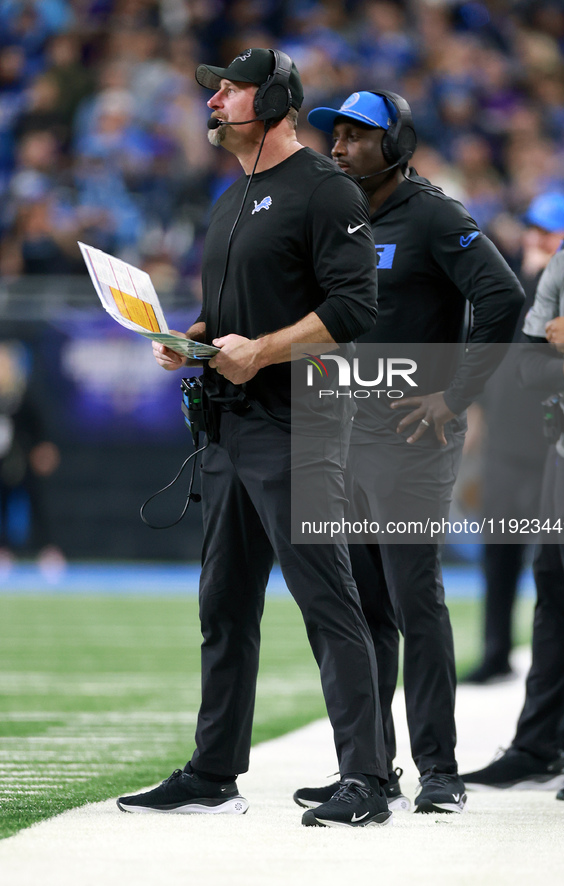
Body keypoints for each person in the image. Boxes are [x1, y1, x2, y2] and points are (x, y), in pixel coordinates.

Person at [117, 48, 393, 829]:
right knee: (224, 607)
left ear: (273, 102)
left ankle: (366, 780)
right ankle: (213, 772)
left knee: (327, 604)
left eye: (231, 90)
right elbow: (230, 318)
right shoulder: (229, 198)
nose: (216, 102)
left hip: (299, 426)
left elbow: (354, 308)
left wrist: (263, 350)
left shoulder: (323, 189)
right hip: (232, 430)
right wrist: (193, 341)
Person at [295, 90, 523, 815]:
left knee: (411, 596)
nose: (337, 146)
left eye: (357, 136)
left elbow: (503, 298)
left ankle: (440, 771)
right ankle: (369, 769)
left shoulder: (433, 215)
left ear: (397, 143)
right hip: (344, 430)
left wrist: (454, 397)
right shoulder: (341, 215)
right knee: (362, 608)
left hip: (410, 437)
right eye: (333, 134)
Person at [461, 147, 564, 797]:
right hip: (550, 448)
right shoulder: (549, 275)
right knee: (552, 591)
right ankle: (546, 742)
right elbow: (522, 369)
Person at [463, 192, 564, 685]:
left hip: (561, 445)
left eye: (550, 234)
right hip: (508, 442)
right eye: (534, 230)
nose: (538, 240)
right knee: (500, 553)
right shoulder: (513, 288)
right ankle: (495, 651)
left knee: (563, 565)